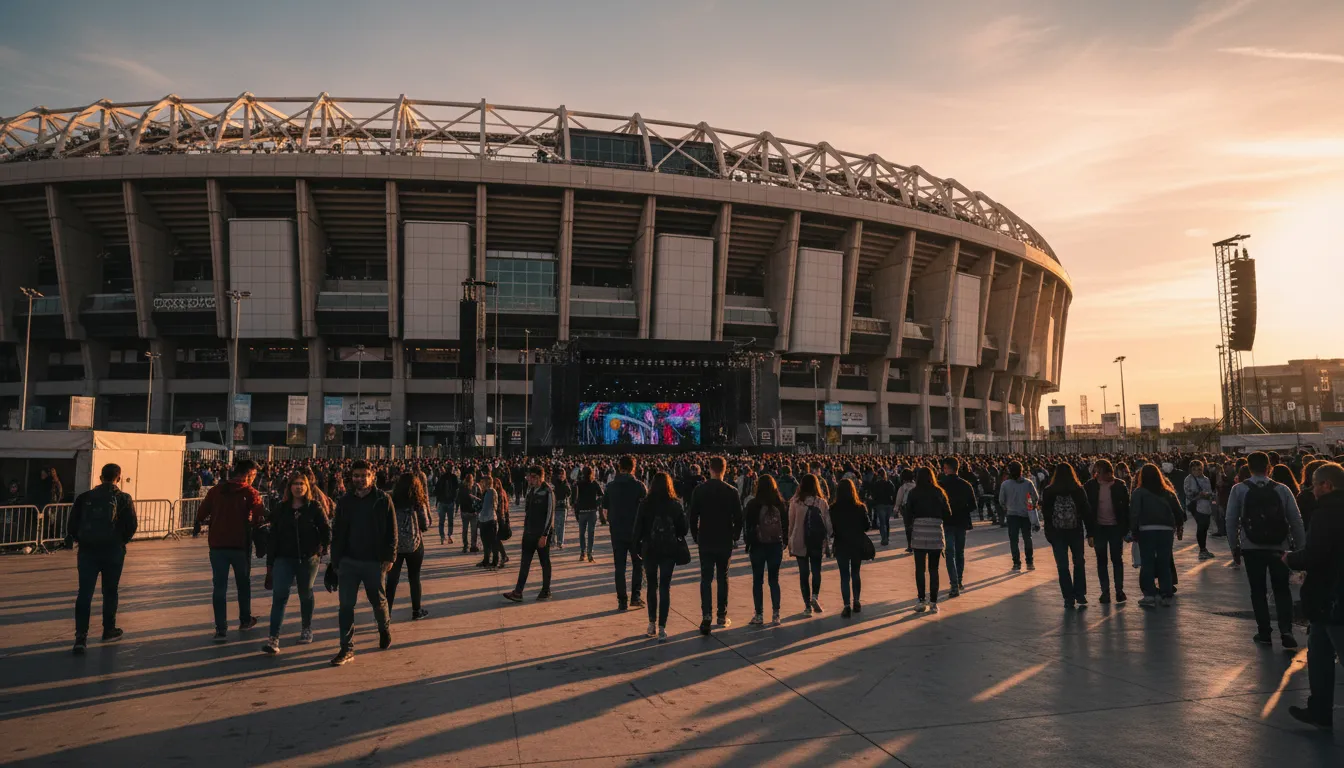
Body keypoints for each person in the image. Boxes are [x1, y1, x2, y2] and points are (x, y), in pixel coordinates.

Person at [1285, 462, 1344, 730]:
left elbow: (1315, 554)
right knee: (1318, 652)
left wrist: (1291, 559)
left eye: (1315, 484)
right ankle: (1319, 710)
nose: (1312, 489)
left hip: (1330, 595)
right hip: (1330, 597)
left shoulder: (1326, 514)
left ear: (1327, 485)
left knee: (1327, 651)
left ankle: (1320, 710)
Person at [1226, 451, 1305, 647]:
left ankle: (1264, 632)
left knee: (1258, 590)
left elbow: (1231, 520)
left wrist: (1234, 546)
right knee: (1282, 589)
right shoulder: (1282, 489)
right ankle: (1286, 630)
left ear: (1248, 468)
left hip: (1251, 547)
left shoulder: (1239, 490)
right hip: (1279, 547)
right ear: (1269, 467)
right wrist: (1301, 548)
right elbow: (1296, 520)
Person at [329, 459, 398, 667]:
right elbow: (338, 531)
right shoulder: (344, 501)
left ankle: (384, 628)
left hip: (373, 562)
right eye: (356, 476)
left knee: (378, 601)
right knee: (346, 606)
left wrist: (390, 557)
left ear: (372, 476)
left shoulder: (383, 499)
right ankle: (346, 647)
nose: (359, 479)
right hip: (348, 561)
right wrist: (335, 560)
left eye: (364, 475)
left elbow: (391, 531)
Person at [67, 463, 137, 654]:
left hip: (88, 552)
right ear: (119, 477)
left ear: (100, 477)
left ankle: (81, 636)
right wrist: (121, 541)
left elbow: (72, 525)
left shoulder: (85, 498)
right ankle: (109, 629)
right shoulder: (123, 498)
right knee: (110, 591)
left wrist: (81, 540)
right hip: (113, 551)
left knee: (85, 593)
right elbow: (132, 525)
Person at [194, 459, 267, 642]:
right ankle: (244, 620)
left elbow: (201, 514)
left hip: (217, 546)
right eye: (254, 476)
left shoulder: (216, 491)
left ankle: (221, 629)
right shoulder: (250, 493)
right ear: (249, 473)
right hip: (240, 546)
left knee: (219, 587)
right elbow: (259, 516)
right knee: (243, 585)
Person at [262, 472, 331, 654]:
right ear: (289, 487)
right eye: (295, 484)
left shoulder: (314, 507)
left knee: (305, 593)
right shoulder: (281, 508)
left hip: (308, 559)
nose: (299, 487)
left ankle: (306, 628)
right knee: (279, 595)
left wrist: (322, 548)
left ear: (307, 487)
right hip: (283, 558)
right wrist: (270, 563)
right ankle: (273, 638)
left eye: (302, 484)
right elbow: (273, 537)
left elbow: (326, 529)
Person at [687, 456, 744, 634]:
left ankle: (706, 617)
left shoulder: (700, 490)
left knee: (706, 578)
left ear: (709, 469)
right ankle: (721, 615)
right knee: (722, 577)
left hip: (706, 539)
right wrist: (735, 536)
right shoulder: (731, 491)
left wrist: (696, 536)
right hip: (724, 539)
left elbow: (692, 515)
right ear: (725, 470)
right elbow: (739, 517)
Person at [632, 471, 689, 641]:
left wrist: (636, 548)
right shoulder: (675, 504)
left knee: (651, 585)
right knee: (665, 587)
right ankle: (663, 627)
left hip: (650, 548)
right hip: (669, 549)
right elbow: (684, 529)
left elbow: (637, 528)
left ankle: (651, 623)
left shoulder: (645, 504)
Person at [1130, 464, 1183, 609]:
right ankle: (1166, 594)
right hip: (1165, 530)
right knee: (1164, 562)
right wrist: (1178, 526)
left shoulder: (1138, 492)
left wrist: (1133, 530)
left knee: (1147, 562)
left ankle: (1150, 595)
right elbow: (1179, 512)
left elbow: (1134, 513)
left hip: (1146, 529)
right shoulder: (1167, 492)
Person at [1042, 463, 1092, 610]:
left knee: (1062, 566)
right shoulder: (1078, 489)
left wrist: (1049, 533)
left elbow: (1046, 513)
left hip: (1057, 532)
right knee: (1079, 562)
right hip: (1075, 530)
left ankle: (1068, 598)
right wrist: (1090, 532)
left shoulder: (1049, 491)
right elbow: (1086, 511)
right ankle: (1080, 593)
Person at [502, 465, 555, 603]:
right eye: (529, 477)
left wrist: (545, 535)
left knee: (545, 562)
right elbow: (527, 512)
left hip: (541, 535)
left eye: (532, 477)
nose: (529, 480)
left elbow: (550, 515)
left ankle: (546, 590)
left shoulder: (548, 492)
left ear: (539, 477)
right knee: (524, 563)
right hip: (529, 533)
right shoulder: (530, 491)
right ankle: (518, 592)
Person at [603, 456, 647, 611]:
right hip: (636, 532)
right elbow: (645, 510)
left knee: (619, 567)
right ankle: (635, 597)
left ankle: (622, 600)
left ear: (619, 467)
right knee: (637, 564)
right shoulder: (639, 486)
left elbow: (604, 509)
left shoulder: (611, 486)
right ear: (633, 468)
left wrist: (612, 522)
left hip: (617, 531)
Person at [1083, 459, 1130, 605]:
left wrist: (1126, 529)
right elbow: (1087, 511)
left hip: (1115, 528)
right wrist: (1090, 533)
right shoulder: (1090, 486)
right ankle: (1105, 591)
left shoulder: (1119, 485)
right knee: (1101, 561)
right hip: (1099, 529)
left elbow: (1126, 509)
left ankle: (1119, 590)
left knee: (1117, 560)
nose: (1109, 476)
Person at [743, 474, 788, 626]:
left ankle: (759, 614)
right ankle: (776, 614)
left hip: (757, 545)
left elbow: (748, 525)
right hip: (775, 545)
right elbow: (785, 524)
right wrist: (785, 542)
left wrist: (747, 542)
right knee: (774, 580)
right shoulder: (780, 503)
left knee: (758, 580)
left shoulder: (753, 504)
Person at [387, 473, 432, 620]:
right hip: (414, 544)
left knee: (392, 580)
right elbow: (425, 524)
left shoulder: (391, 500)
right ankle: (416, 610)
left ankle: (385, 612)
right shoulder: (418, 502)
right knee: (414, 578)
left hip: (395, 545)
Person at [908, 467, 952, 613]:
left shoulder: (913, 493)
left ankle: (921, 600)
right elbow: (948, 513)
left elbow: (908, 513)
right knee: (934, 569)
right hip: (935, 533)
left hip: (919, 532)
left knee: (920, 569)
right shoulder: (939, 492)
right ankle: (933, 602)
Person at [789, 473, 832, 616]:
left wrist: (790, 541)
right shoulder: (821, 502)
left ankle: (807, 606)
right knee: (816, 570)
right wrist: (828, 541)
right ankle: (815, 596)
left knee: (803, 573)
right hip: (816, 541)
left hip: (799, 540)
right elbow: (828, 526)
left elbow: (791, 523)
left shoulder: (795, 502)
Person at [829, 478, 870, 618]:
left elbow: (831, 528)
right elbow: (867, 526)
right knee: (856, 573)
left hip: (841, 544)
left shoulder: (833, 508)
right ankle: (856, 601)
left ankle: (846, 605)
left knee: (844, 575)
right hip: (857, 543)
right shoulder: (860, 507)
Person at [939, 457, 977, 597]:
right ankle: (959, 580)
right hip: (961, 522)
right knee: (959, 552)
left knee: (950, 553)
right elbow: (973, 505)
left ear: (948, 468)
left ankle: (954, 583)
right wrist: (962, 508)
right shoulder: (966, 485)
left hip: (948, 522)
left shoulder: (941, 484)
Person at [998, 461, 1039, 571]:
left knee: (1013, 540)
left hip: (1012, 515)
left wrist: (1007, 507)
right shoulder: (1028, 483)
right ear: (1021, 470)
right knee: (1027, 538)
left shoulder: (1005, 484)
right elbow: (1035, 498)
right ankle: (1029, 562)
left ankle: (1016, 563)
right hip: (1026, 515)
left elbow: (1001, 501)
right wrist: (1029, 504)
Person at [1183, 460, 1217, 561]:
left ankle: (1204, 548)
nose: (1197, 471)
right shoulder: (1189, 479)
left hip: (1206, 506)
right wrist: (1199, 495)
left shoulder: (1206, 479)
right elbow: (1188, 493)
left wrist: (1209, 496)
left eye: (1199, 469)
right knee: (1201, 526)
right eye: (1194, 470)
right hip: (1196, 506)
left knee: (1205, 527)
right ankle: (1202, 550)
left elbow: (1210, 491)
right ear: (1191, 470)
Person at [574, 466, 603, 563]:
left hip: (582, 511)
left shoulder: (579, 484)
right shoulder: (594, 483)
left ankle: (583, 553)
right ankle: (589, 553)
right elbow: (602, 495)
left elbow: (575, 499)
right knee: (591, 533)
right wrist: (596, 503)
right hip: (592, 511)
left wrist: (576, 510)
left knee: (582, 533)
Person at [868, 468, 897, 546]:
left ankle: (883, 538)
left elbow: (873, 494)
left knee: (882, 522)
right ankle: (886, 537)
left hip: (880, 504)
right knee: (887, 522)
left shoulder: (876, 484)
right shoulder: (889, 483)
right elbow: (893, 492)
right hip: (888, 504)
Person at [476, 475, 499, 569]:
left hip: (489, 520)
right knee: (486, 542)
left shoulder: (490, 491)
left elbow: (486, 508)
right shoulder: (488, 491)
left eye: (483, 482)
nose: (481, 484)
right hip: (487, 519)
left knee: (491, 542)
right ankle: (486, 560)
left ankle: (494, 561)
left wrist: (478, 509)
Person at [434, 465, 457, 545]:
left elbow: (436, 489)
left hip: (442, 501)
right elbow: (457, 489)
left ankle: (442, 536)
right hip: (450, 501)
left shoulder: (442, 478)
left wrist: (437, 500)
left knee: (441, 521)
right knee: (450, 521)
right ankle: (450, 536)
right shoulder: (454, 477)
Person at [457, 471, 480, 554]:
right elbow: (478, 497)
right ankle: (473, 545)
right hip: (473, 512)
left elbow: (458, 499)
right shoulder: (474, 487)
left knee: (465, 530)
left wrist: (457, 508)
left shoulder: (462, 487)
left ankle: (465, 546)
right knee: (473, 530)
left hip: (465, 511)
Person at [552, 469, 571, 549]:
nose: (561, 476)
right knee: (555, 525)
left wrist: (566, 485)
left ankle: (560, 542)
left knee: (562, 525)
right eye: (559, 474)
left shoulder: (566, 484)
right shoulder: (554, 484)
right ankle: (553, 541)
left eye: (562, 474)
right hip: (555, 506)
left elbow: (569, 494)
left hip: (563, 506)